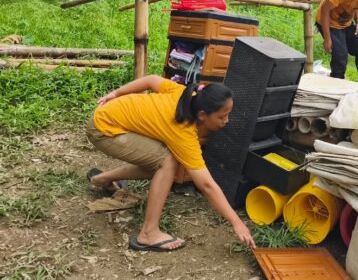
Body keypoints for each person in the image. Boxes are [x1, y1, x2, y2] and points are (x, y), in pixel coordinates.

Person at [85, 75, 255, 252]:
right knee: (167, 162)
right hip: (103, 129)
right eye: (222, 117)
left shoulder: (187, 95)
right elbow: (206, 185)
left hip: (109, 115)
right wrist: (236, 222)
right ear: (202, 115)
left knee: (164, 162)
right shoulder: (183, 132)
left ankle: (102, 179)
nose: (227, 121)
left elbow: (151, 80)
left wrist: (116, 93)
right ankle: (148, 233)